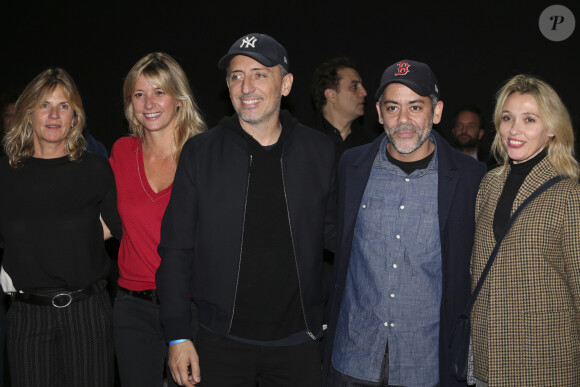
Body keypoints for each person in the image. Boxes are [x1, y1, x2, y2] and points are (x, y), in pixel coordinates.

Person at [156, 33, 336, 386]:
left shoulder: (320, 151)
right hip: (218, 342)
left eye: (259, 74)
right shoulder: (200, 153)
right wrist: (177, 335)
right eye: (236, 76)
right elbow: (176, 249)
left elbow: (338, 237)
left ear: (285, 84)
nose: (246, 86)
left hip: (299, 344)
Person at [323, 59, 486, 387]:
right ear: (380, 113)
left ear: (436, 112)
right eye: (393, 108)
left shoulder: (470, 178)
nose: (404, 120)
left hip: (425, 362)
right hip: (354, 357)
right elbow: (331, 233)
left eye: (415, 107)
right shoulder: (351, 166)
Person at [0, 67, 121, 387]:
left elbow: (117, 227)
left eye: (63, 106)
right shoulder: (6, 172)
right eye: (44, 105)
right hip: (27, 316)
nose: (54, 114)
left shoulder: (96, 169)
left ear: (75, 116)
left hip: (87, 313)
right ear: (28, 113)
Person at [470, 75, 580, 386]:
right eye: (507, 118)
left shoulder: (570, 193)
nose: (513, 130)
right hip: (488, 360)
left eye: (529, 119)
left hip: (547, 363)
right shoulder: (489, 184)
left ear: (552, 130)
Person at [110, 52, 206, 387]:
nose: (149, 102)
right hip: (132, 308)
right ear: (129, 103)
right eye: (139, 94)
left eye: (159, 92)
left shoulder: (205, 154)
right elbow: (103, 225)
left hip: (194, 307)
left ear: (179, 99)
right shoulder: (121, 152)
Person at [311, 56, 372, 157]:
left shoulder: (369, 148)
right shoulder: (304, 141)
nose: (364, 92)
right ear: (331, 95)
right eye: (354, 87)